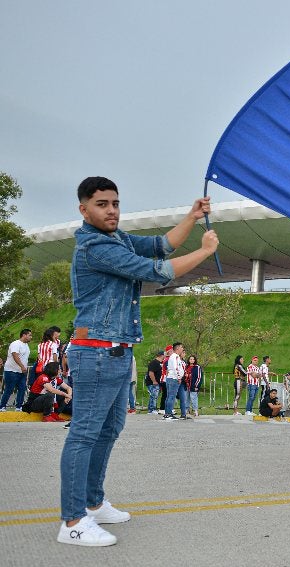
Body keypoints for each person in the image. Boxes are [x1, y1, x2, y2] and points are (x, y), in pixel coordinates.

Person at [58, 176, 218, 547]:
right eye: (102, 204)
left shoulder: (119, 238)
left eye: (115, 202)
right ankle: (72, 521)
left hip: (117, 351)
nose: (111, 209)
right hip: (96, 351)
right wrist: (205, 252)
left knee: (110, 429)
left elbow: (161, 247)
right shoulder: (95, 246)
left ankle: (94, 504)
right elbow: (155, 272)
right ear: (84, 209)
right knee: (84, 435)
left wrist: (192, 218)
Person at [1, 328, 32, 411]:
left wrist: (23, 368)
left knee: (22, 388)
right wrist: (22, 366)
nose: (31, 337)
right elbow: (15, 355)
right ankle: (2, 406)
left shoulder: (26, 345)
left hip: (22, 372)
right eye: (29, 335)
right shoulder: (16, 344)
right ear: (24, 335)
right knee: (9, 389)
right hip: (11, 371)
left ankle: (19, 407)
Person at [163, 342, 187, 421]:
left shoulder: (172, 356)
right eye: (181, 347)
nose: (182, 349)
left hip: (170, 377)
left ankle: (167, 413)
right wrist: (179, 377)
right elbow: (176, 368)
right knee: (172, 397)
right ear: (177, 348)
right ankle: (169, 414)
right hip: (174, 378)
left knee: (169, 396)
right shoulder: (176, 356)